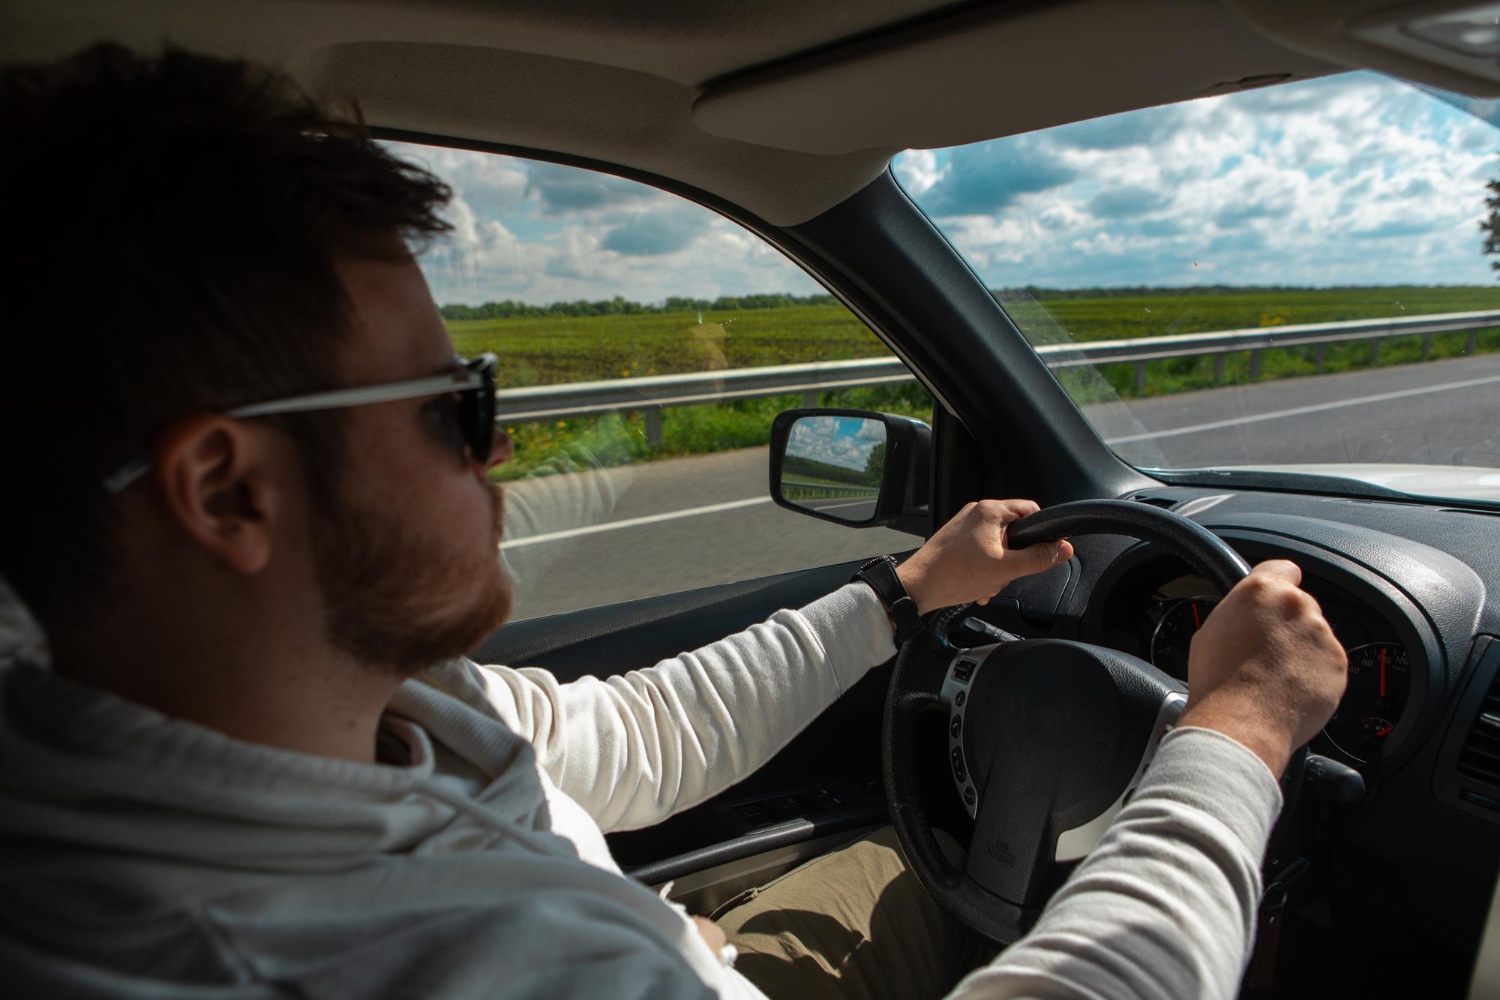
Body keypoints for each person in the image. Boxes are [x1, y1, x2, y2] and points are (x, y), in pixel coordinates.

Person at [0, 44, 1348, 1000]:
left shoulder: (353, 705)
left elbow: (625, 744)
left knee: (920, 870)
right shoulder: (447, 966)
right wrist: (1231, 741)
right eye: (453, 407)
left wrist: (903, 593)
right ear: (231, 492)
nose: (506, 444)